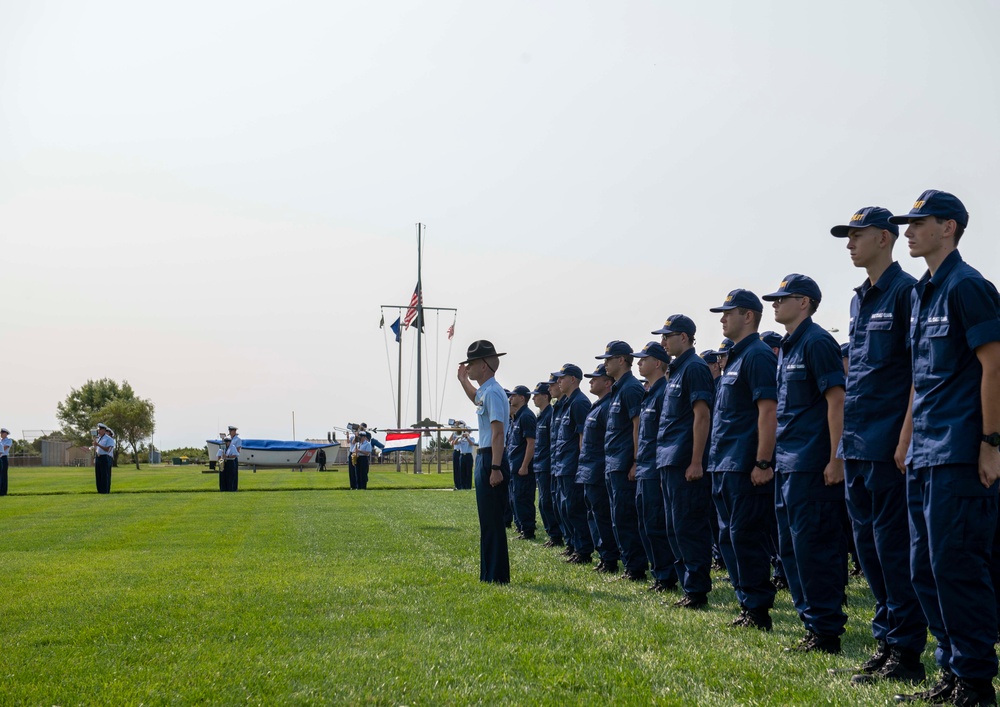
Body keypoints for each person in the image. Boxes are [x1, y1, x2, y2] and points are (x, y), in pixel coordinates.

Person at [887, 191, 1000, 706]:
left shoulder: (968, 285)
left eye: (918, 223)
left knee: (957, 565)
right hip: (925, 451)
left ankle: (975, 681)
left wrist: (991, 443)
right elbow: (919, 377)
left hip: (958, 450)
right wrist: (907, 438)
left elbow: (994, 366)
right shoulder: (922, 293)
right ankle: (952, 670)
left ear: (949, 228)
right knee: (923, 568)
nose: (907, 232)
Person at [828, 205, 927, 684]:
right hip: (858, 444)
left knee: (893, 551)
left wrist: (906, 435)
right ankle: (886, 642)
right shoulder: (858, 300)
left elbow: (917, 372)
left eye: (857, 235)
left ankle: (906, 654)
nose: (850, 243)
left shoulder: (907, 293)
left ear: (885, 239)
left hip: (889, 445)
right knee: (868, 552)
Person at [763, 274, 848, 654]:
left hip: (812, 463)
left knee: (815, 548)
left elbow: (836, 402)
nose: (775, 304)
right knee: (791, 548)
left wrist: (835, 458)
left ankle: (825, 630)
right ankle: (811, 623)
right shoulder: (788, 347)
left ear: (805, 303)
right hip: (788, 463)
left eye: (784, 298)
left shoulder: (816, 342)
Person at [707, 289, 779, 631]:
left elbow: (768, 412)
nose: (722, 318)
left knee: (745, 538)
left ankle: (758, 609)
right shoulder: (735, 358)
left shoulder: (758, 356)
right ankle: (746, 604)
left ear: (748, 316)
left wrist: (763, 462)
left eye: (728, 312)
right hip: (723, 463)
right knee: (728, 539)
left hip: (745, 464)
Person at [654, 315, 715, 609]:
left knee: (689, 526)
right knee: (674, 527)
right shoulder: (676, 371)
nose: (663, 342)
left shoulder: (695, 368)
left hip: (685, 462)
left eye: (668, 336)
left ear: (685, 337)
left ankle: (697, 590)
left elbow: (702, 416)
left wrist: (696, 461)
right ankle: (686, 585)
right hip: (669, 460)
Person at [457, 340, 511, 584]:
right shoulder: (486, 392)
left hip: (492, 457)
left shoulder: (494, 393)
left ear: (485, 365)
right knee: (487, 521)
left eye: (472, 363)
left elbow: (498, 432)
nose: (468, 367)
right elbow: (476, 399)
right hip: (487, 456)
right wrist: (463, 381)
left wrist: (496, 467)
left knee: (493, 521)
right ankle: (489, 574)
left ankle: (497, 576)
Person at [632, 341, 680, 595]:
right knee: (645, 524)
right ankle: (659, 572)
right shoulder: (650, 393)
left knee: (656, 523)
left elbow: (665, 433)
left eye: (644, 359)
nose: (639, 362)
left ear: (658, 363)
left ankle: (667, 575)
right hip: (644, 467)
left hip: (655, 467)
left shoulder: (665, 392)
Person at [599, 340, 649, 582]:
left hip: (624, 463)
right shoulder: (620, 388)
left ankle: (636, 567)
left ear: (622, 360)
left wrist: (636, 461)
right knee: (618, 516)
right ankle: (630, 563)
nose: (605, 364)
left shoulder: (630, 389)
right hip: (614, 463)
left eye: (609, 359)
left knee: (626, 516)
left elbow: (638, 427)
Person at [551, 364, 595, 565]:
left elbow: (582, 438)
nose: (558, 381)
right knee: (566, 508)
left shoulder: (579, 403)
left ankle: (583, 550)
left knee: (575, 509)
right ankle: (574, 545)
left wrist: (580, 465)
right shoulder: (568, 403)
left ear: (574, 380)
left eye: (562, 378)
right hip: (563, 464)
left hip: (573, 465)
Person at [579, 364, 620, 573]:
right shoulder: (597, 405)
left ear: (607, 382)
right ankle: (604, 556)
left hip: (598, 468)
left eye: (596, 378)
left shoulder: (608, 406)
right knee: (593, 515)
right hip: (589, 468)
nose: (591, 381)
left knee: (603, 516)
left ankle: (610, 558)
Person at [531, 383, 562, 545]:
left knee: (548, 502)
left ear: (545, 397)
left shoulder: (550, 414)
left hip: (547, 465)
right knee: (543, 503)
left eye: (537, 394)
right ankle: (552, 534)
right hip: (540, 464)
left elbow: (552, 442)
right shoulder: (541, 416)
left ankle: (556, 535)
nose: (534, 397)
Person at [506, 385, 537, 539]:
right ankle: (522, 528)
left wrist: (524, 465)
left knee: (523, 498)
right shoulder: (518, 416)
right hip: (515, 466)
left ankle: (528, 530)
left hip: (522, 467)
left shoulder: (526, 416)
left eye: (513, 395)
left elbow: (531, 443)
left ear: (522, 398)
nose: (510, 398)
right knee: (515, 499)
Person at [93, 422, 115, 494]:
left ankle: (105, 490)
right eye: (98, 430)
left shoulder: (109, 439)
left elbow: (107, 450)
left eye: (100, 430)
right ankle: (99, 490)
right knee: (98, 475)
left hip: (105, 457)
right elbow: (97, 448)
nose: (98, 431)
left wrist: (98, 445)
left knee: (105, 475)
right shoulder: (99, 438)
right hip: (98, 457)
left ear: (104, 430)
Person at [454, 424, 475, 490]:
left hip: (468, 456)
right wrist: (459, 436)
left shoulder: (471, 438)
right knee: (462, 471)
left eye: (467, 431)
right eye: (465, 430)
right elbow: (455, 443)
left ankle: (468, 486)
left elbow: (471, 444)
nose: (466, 432)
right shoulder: (461, 439)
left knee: (468, 472)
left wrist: (467, 438)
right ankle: (462, 486)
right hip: (462, 456)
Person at [223, 425, 242, 492]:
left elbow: (238, 449)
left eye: (231, 431)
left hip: (233, 458)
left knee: (233, 474)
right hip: (227, 459)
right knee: (227, 474)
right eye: (229, 431)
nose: (230, 432)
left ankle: (233, 488)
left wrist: (231, 453)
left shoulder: (238, 439)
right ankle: (227, 487)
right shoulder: (229, 438)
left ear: (234, 431)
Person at [0, 427, 11, 496]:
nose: (1, 434)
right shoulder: (1, 441)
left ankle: (3, 491)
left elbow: (4, 448)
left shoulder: (8, 440)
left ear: (6, 434)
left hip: (3, 458)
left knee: (3, 475)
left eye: (2, 433)